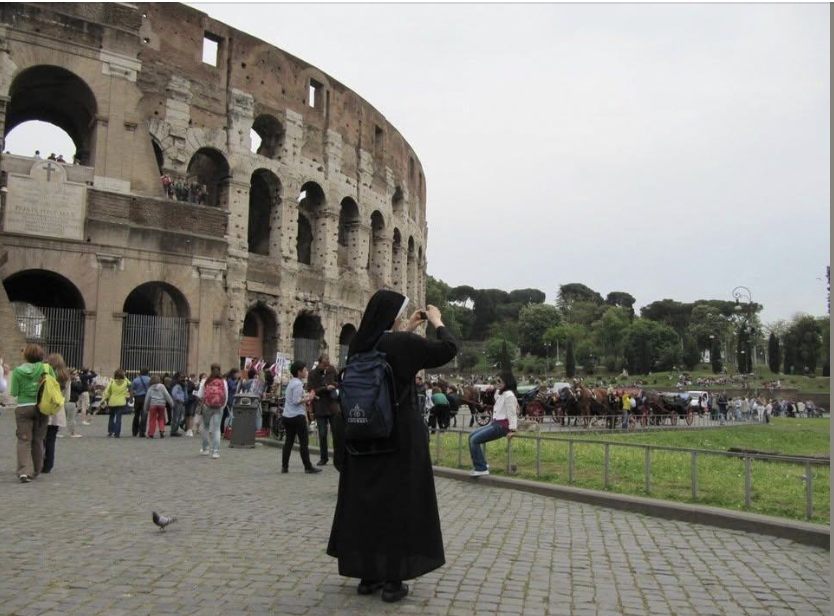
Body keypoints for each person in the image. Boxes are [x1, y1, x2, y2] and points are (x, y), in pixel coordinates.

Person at [328, 292, 457, 603]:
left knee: (366, 503)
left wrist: (406, 330)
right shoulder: (404, 345)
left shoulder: (359, 344)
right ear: (392, 317)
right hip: (399, 434)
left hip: (362, 433)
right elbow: (448, 350)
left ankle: (368, 575)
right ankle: (393, 580)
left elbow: (383, 349)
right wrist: (437, 322)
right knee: (400, 503)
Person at [11, 344, 55, 482]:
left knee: (24, 440)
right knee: (38, 440)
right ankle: (36, 469)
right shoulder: (46, 369)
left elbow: (14, 392)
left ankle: (24, 471)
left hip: (24, 406)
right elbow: (54, 385)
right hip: (41, 406)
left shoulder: (18, 371)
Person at [468, 371, 518, 477]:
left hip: (502, 426)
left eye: (500, 381)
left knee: (474, 440)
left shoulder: (509, 395)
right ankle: (482, 464)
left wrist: (513, 430)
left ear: (507, 382)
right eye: (497, 381)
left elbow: (512, 413)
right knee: (471, 436)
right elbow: (496, 397)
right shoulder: (502, 393)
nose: (497, 383)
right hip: (495, 423)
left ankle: (481, 468)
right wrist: (495, 389)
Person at [281, 361, 320, 474]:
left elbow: (297, 397)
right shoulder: (298, 384)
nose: (306, 371)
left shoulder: (292, 382)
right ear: (299, 372)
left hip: (287, 416)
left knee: (289, 441)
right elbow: (296, 401)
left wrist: (308, 396)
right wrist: (309, 398)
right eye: (304, 370)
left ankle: (285, 466)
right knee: (303, 442)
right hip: (296, 416)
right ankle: (307, 466)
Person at [307, 353, 341, 468]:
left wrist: (333, 385)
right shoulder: (312, 374)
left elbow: (339, 383)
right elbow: (311, 390)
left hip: (332, 406)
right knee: (322, 434)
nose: (326, 367)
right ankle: (323, 457)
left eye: (328, 365)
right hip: (320, 407)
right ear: (320, 362)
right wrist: (325, 388)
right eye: (324, 365)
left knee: (336, 433)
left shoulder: (332, 370)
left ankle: (338, 457)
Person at [42, 353, 71, 473]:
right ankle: (48, 464)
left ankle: (38, 461)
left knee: (40, 438)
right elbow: (67, 398)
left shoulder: (45, 375)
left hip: (44, 408)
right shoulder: (66, 377)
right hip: (58, 411)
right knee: (51, 439)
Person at [196, 364, 228, 458]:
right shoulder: (223, 382)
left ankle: (205, 449)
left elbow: (200, 395)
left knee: (206, 427)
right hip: (219, 407)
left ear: (211, 370)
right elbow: (225, 395)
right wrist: (222, 405)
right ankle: (215, 451)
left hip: (207, 406)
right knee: (217, 428)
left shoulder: (205, 381)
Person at [102, 368, 130, 437]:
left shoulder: (112, 382)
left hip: (112, 401)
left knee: (111, 417)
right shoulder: (125, 382)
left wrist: (104, 399)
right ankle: (117, 433)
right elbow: (130, 383)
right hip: (121, 402)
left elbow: (107, 392)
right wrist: (125, 377)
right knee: (118, 418)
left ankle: (110, 431)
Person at [130, 368, 150, 437]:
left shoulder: (136, 380)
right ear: (147, 373)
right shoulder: (149, 379)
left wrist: (131, 399)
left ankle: (135, 431)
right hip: (146, 398)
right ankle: (142, 432)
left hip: (138, 398)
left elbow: (132, 390)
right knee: (144, 415)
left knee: (136, 415)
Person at [221, 368, 240, 435]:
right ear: (234, 373)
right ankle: (223, 431)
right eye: (237, 373)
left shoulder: (231, 380)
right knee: (226, 415)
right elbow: (233, 388)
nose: (238, 375)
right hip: (228, 399)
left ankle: (224, 431)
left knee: (226, 415)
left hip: (230, 399)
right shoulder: (229, 380)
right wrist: (238, 382)